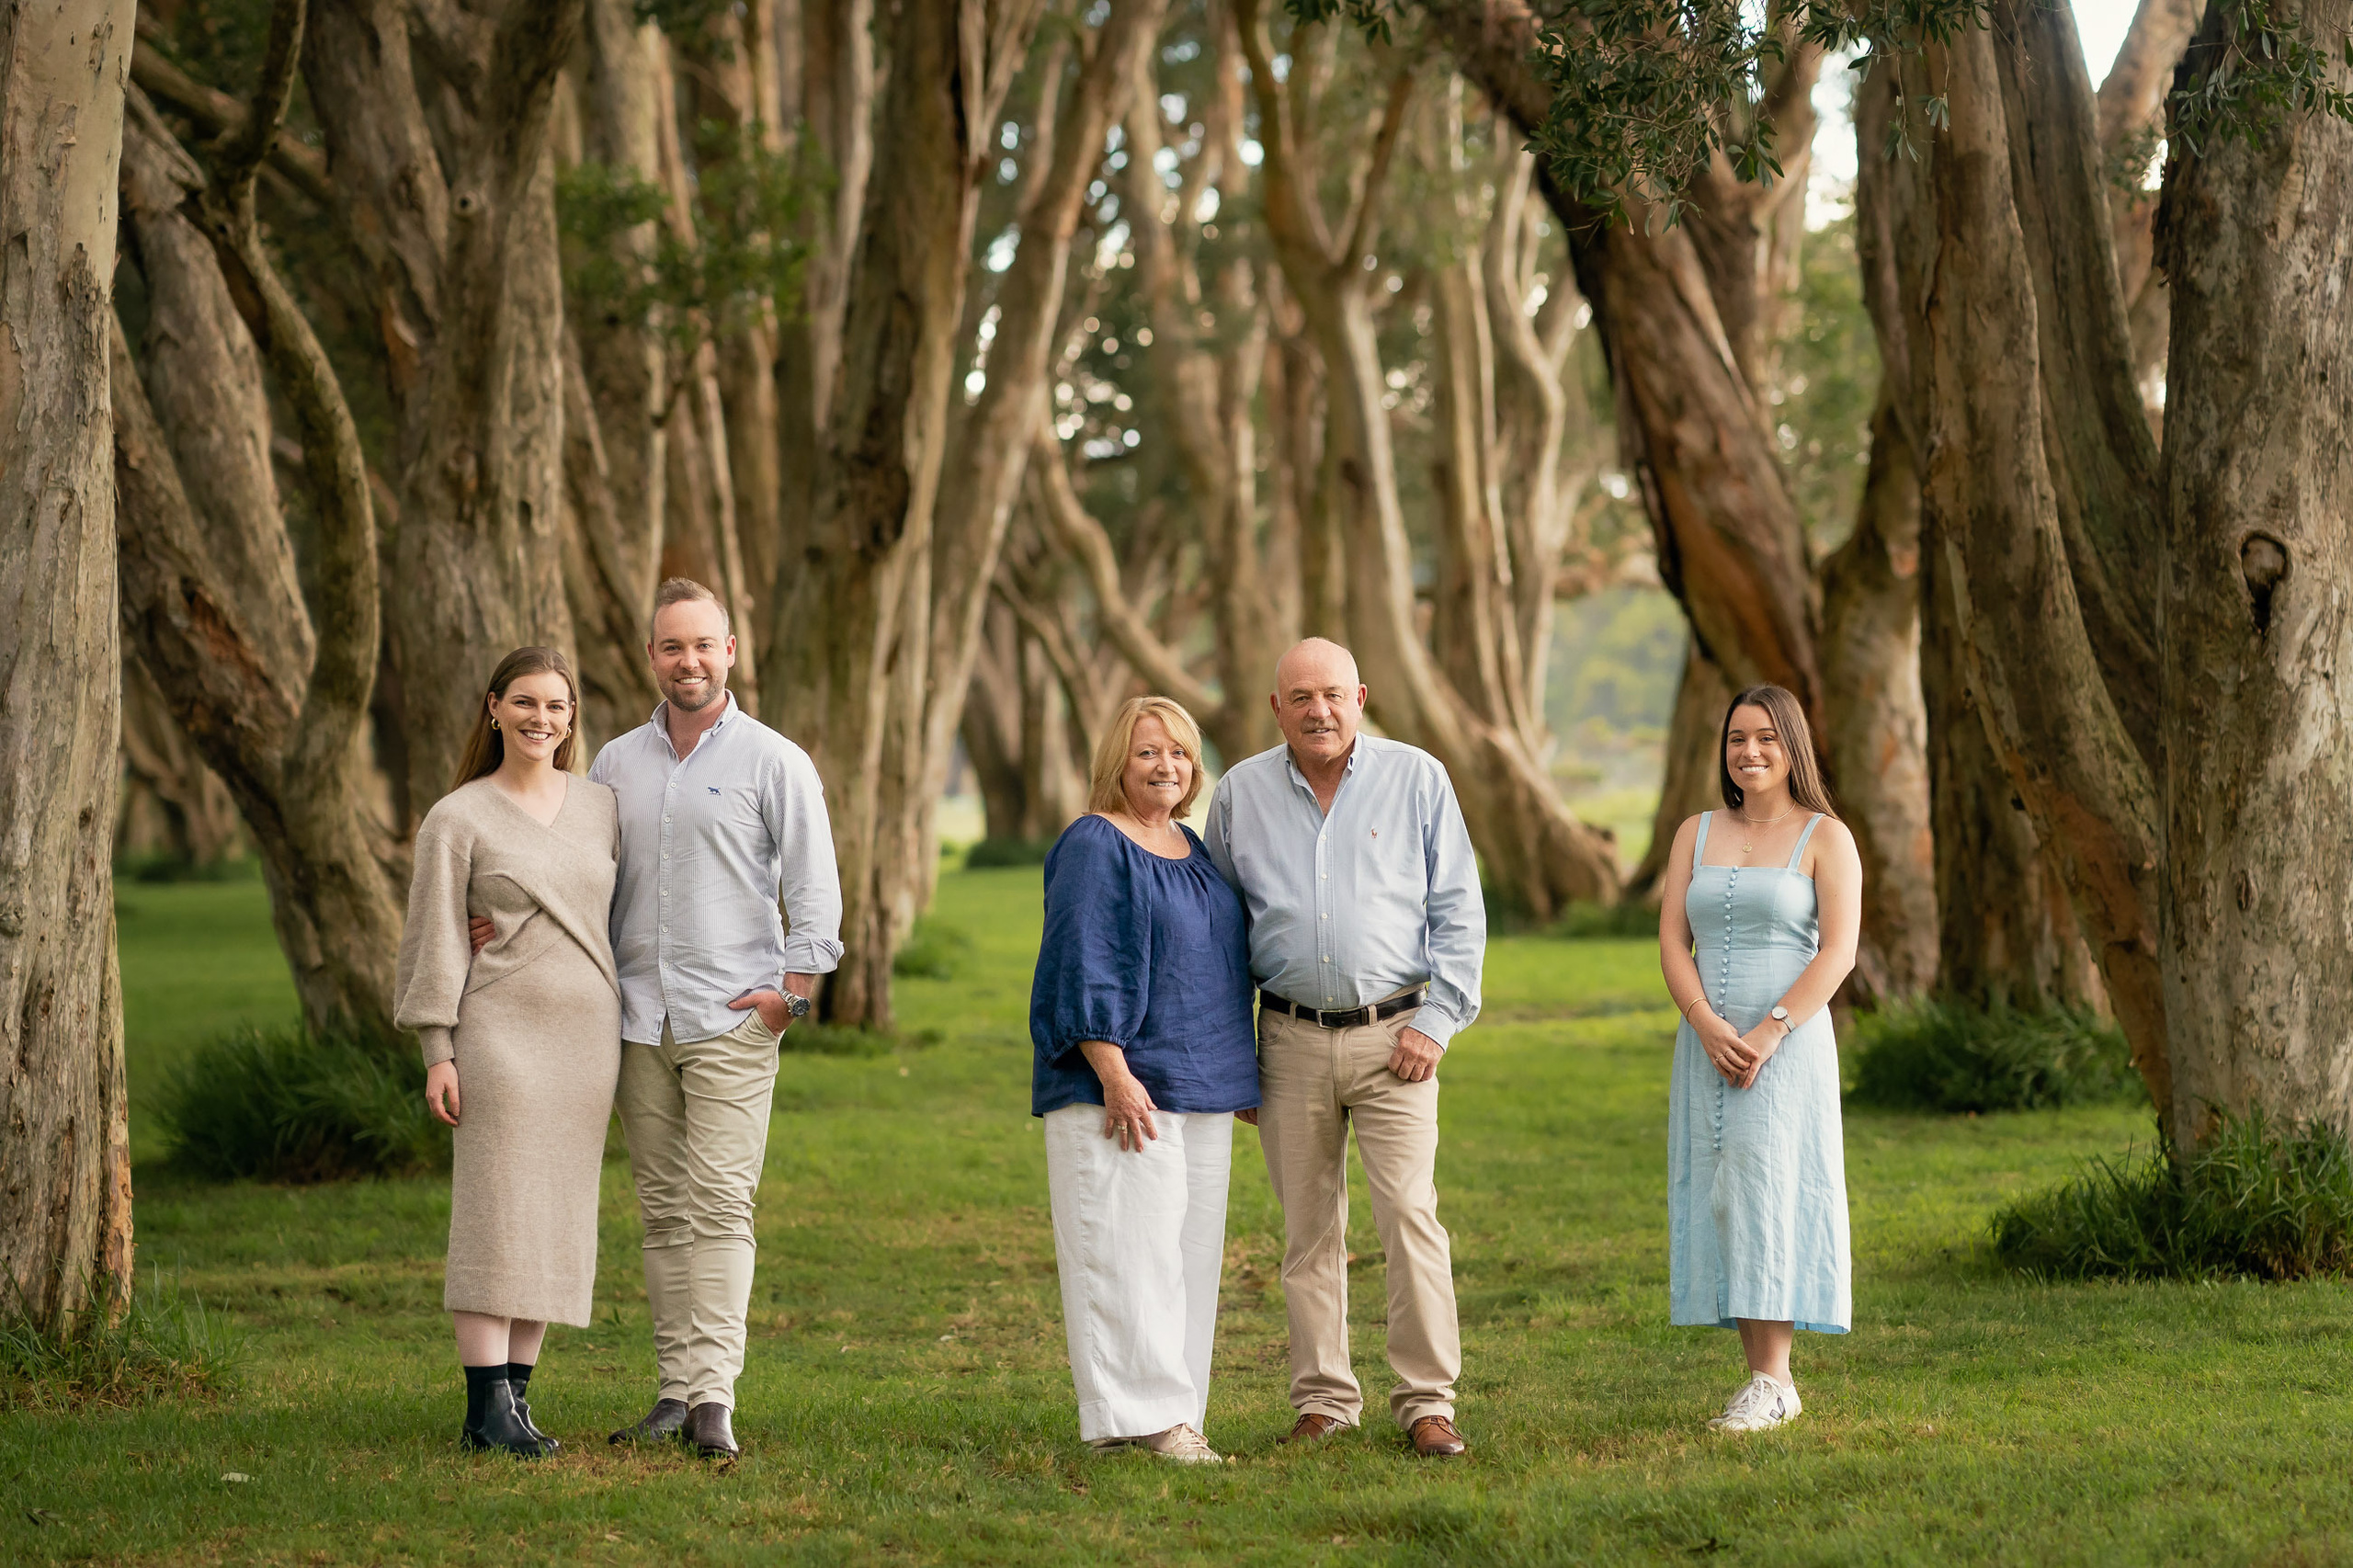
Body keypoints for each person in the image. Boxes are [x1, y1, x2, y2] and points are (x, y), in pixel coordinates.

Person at [478, 579, 843, 1459]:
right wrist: (505, 919)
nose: (689, 661)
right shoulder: (613, 765)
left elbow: (815, 892)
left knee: (721, 1207)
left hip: (733, 1019)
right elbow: (578, 878)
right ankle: (674, 1392)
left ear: (730, 652)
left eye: (704, 645)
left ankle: (715, 1398)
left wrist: (788, 999)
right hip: (637, 1019)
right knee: (665, 1213)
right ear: (651, 656)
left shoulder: (774, 761)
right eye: (673, 647)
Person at [1203, 639, 1483, 1460]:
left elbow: (1459, 910)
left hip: (1399, 1037)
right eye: (1300, 698)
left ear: (1359, 697)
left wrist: (1437, 1022)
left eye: (1332, 694)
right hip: (1286, 1041)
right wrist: (1234, 1055)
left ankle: (1427, 1404)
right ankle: (1324, 1401)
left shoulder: (1418, 777)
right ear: (1276, 708)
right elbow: (1219, 932)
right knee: (1308, 1233)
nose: (1317, 711)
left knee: (1410, 1218)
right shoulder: (1239, 793)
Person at [394, 647, 621, 1458]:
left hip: (587, 1043)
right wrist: (438, 1049)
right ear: (493, 708)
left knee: (555, 1220)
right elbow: (432, 936)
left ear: (571, 716)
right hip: (499, 1037)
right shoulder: (457, 817)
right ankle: (483, 1411)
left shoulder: (602, 807)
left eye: (556, 706)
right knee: (496, 1216)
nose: (541, 719)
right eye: (525, 702)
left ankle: (515, 1407)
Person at [1030, 697, 1260, 1466]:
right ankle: (1140, 1420)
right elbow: (1080, 962)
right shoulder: (1094, 843)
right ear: (1117, 764)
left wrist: (1237, 1076)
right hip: (1123, 1087)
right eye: (1148, 752)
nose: (1167, 766)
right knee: (1126, 1257)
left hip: (1202, 1084)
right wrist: (1114, 1073)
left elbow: (1215, 966)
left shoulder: (1191, 847)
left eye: (1181, 753)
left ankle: (1176, 1417)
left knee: (1188, 1263)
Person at [1656, 683, 1860, 1433]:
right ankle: (1763, 1380)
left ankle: (1775, 1382)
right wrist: (1704, 1022)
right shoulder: (1696, 831)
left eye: (1768, 738)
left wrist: (1770, 1031)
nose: (1750, 752)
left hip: (1785, 1047)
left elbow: (1839, 952)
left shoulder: (1826, 837)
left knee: (1770, 1192)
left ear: (1793, 747)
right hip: (1706, 1042)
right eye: (1738, 738)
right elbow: (1672, 939)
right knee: (1723, 1195)